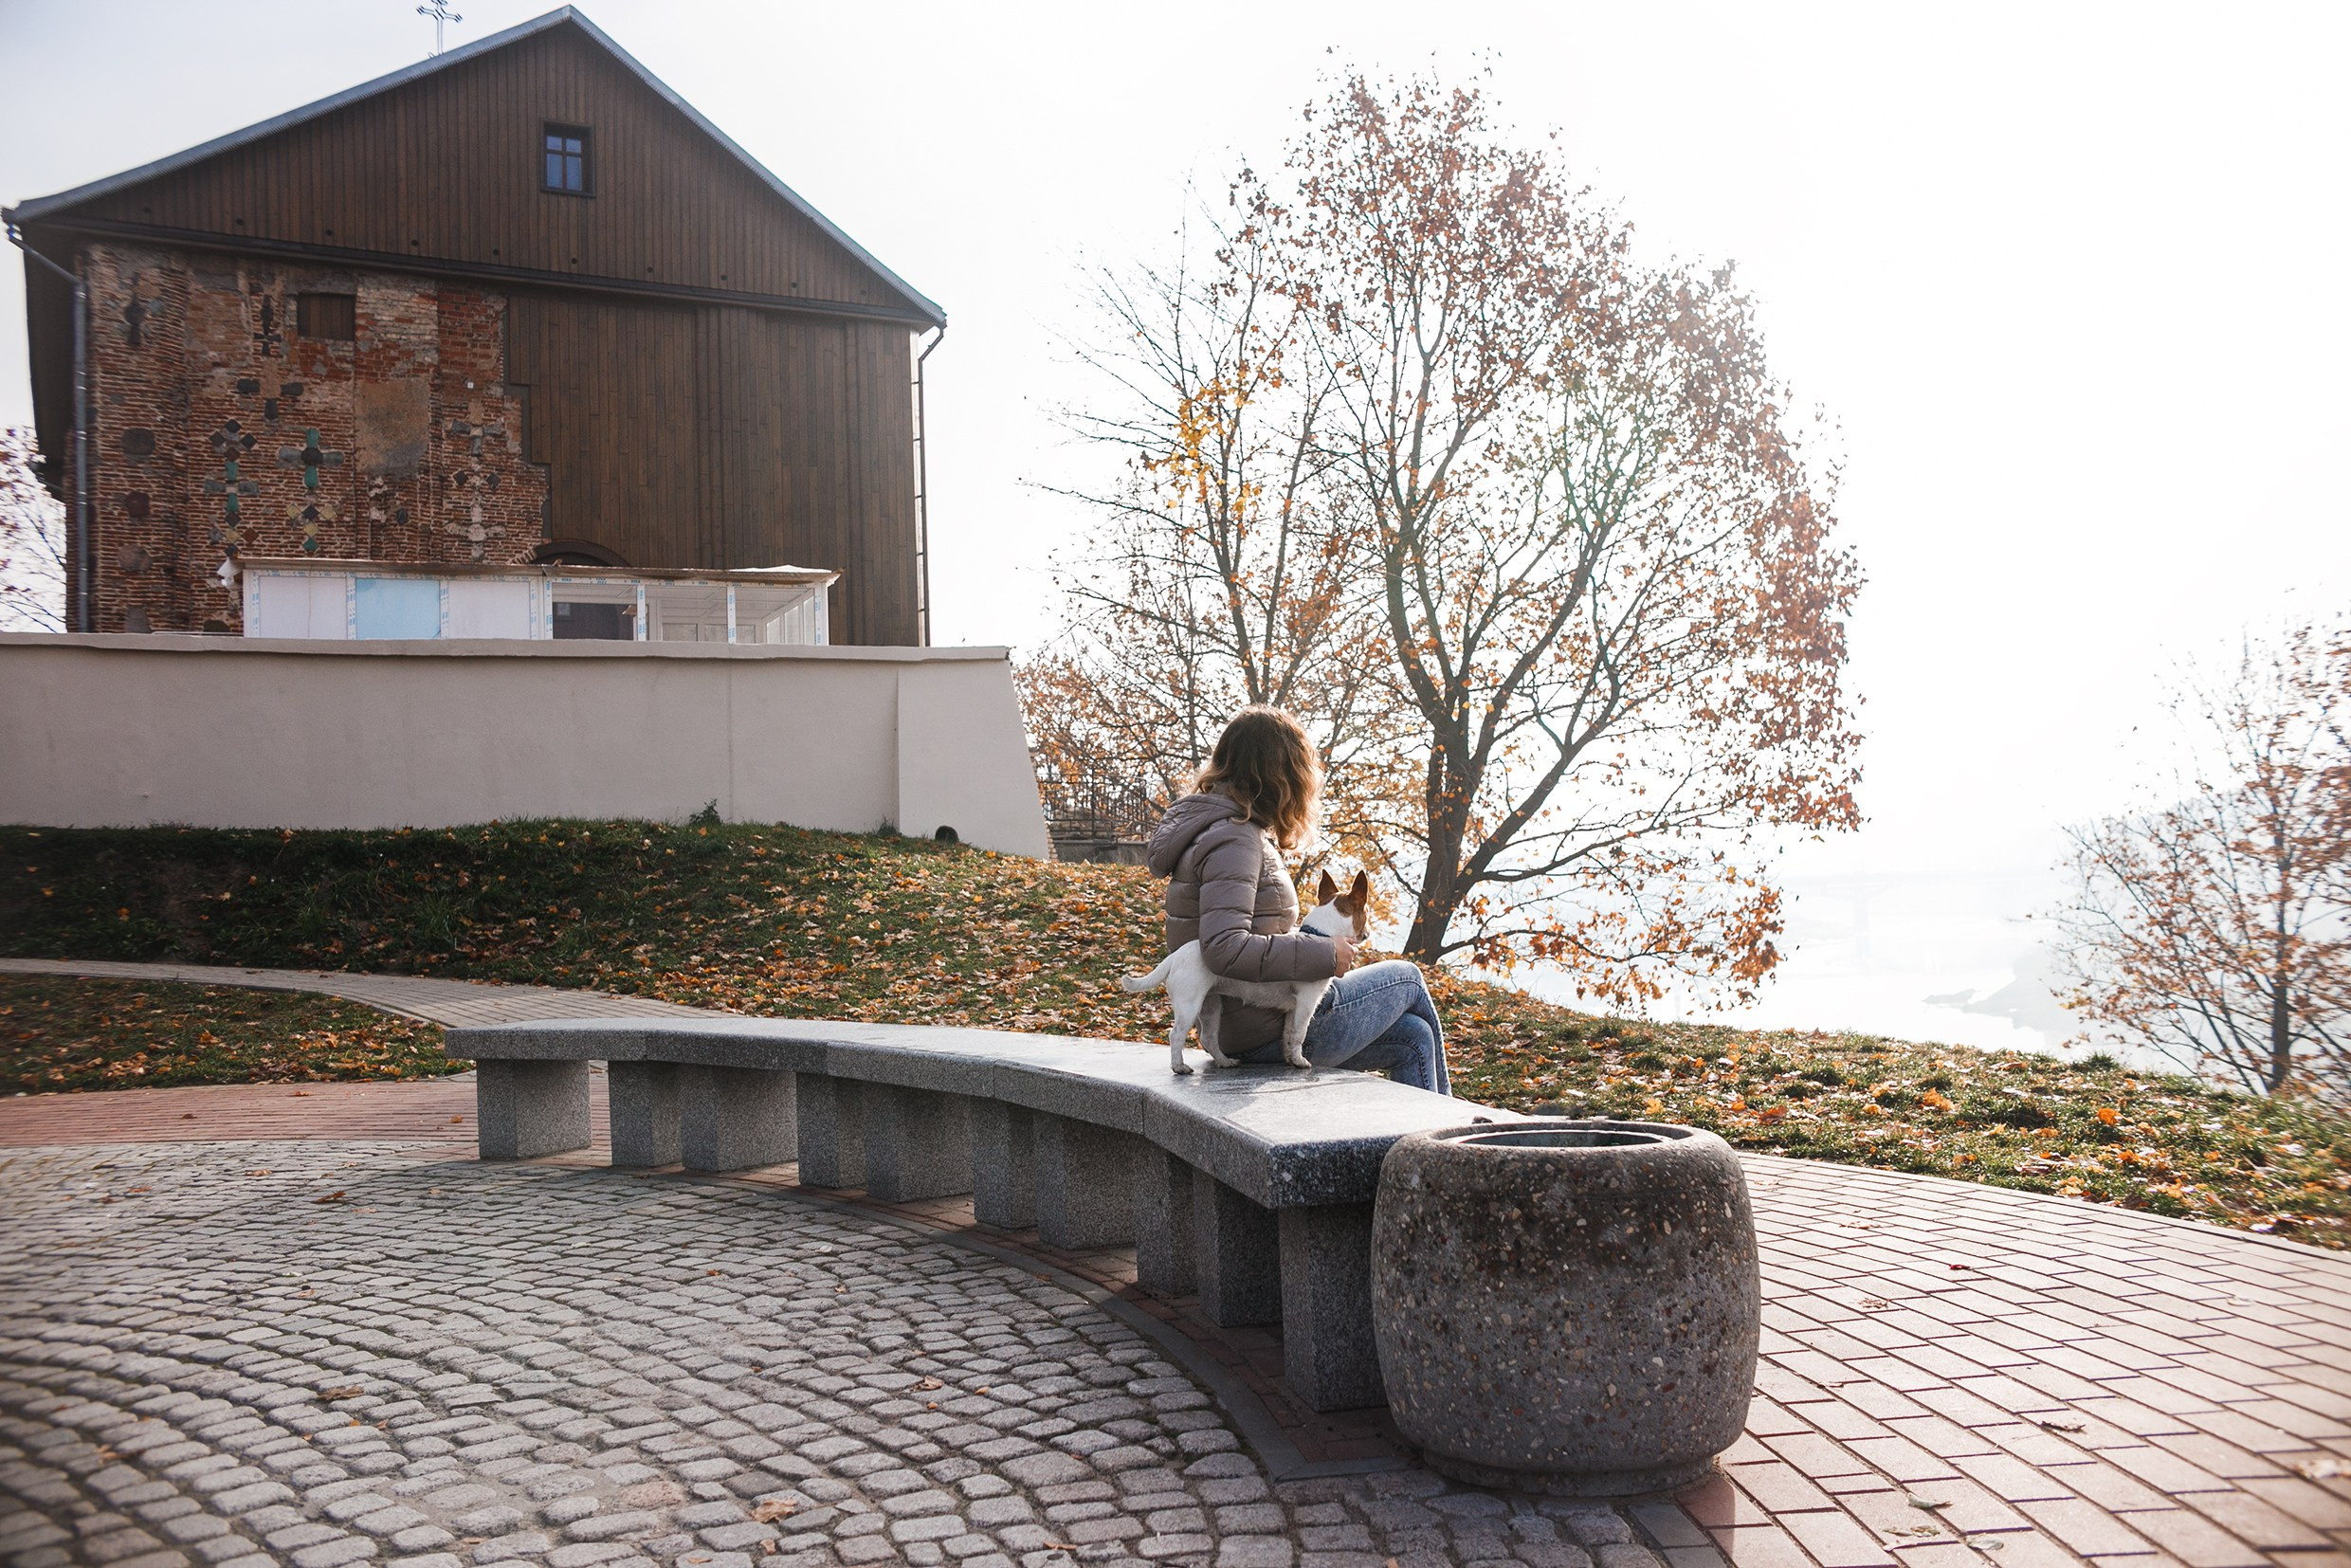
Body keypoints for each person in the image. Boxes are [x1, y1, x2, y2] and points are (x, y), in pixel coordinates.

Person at [1144, 705, 1451, 1094]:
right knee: (1408, 978)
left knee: (1414, 1036)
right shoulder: (1234, 840)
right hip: (1263, 1029)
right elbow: (1223, 947)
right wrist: (1322, 954)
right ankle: (1451, 1146)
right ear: (1280, 776)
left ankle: (1430, 1145)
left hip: (1259, 1020)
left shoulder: (1223, 830)